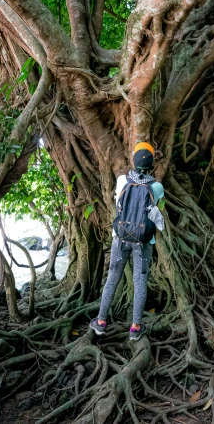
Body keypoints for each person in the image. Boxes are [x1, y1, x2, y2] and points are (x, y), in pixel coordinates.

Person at [90, 142, 164, 341]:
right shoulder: (156, 187)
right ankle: (135, 327)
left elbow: (118, 203)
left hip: (120, 239)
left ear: (134, 160)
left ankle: (101, 322)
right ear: (152, 163)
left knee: (112, 277)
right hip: (143, 243)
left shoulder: (122, 180)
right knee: (140, 282)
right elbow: (158, 206)